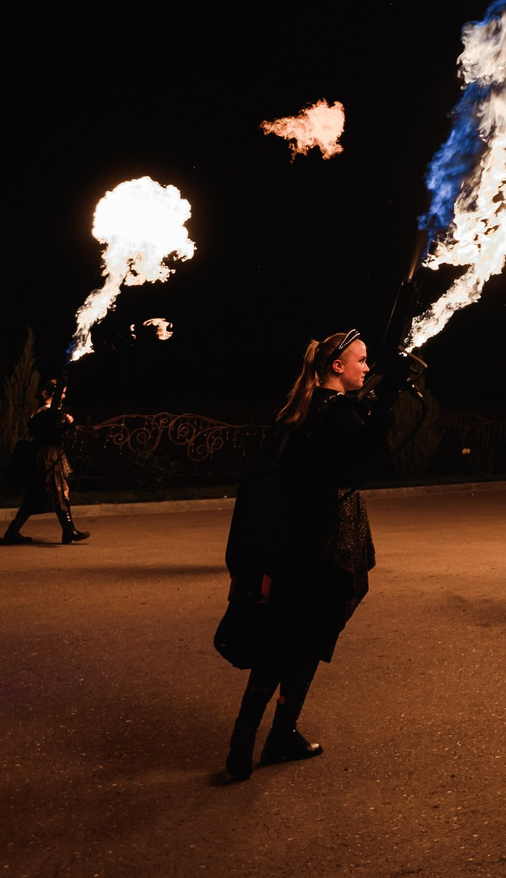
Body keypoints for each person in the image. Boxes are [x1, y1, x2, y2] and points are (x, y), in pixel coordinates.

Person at [219, 328, 384, 779]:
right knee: (305, 640)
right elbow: (364, 462)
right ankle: (275, 736)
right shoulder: (337, 413)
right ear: (337, 366)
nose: (367, 368)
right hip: (323, 542)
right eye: (361, 360)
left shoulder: (298, 410)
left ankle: (248, 742)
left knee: (282, 637)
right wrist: (381, 411)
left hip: (291, 541)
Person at [1, 378, 87, 545]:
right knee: (60, 490)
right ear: (51, 393)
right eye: (62, 392)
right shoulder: (47, 413)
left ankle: (13, 531)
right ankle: (69, 531)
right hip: (49, 455)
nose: (64, 396)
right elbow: (51, 434)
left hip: (49, 454)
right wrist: (68, 424)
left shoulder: (44, 412)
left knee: (38, 494)